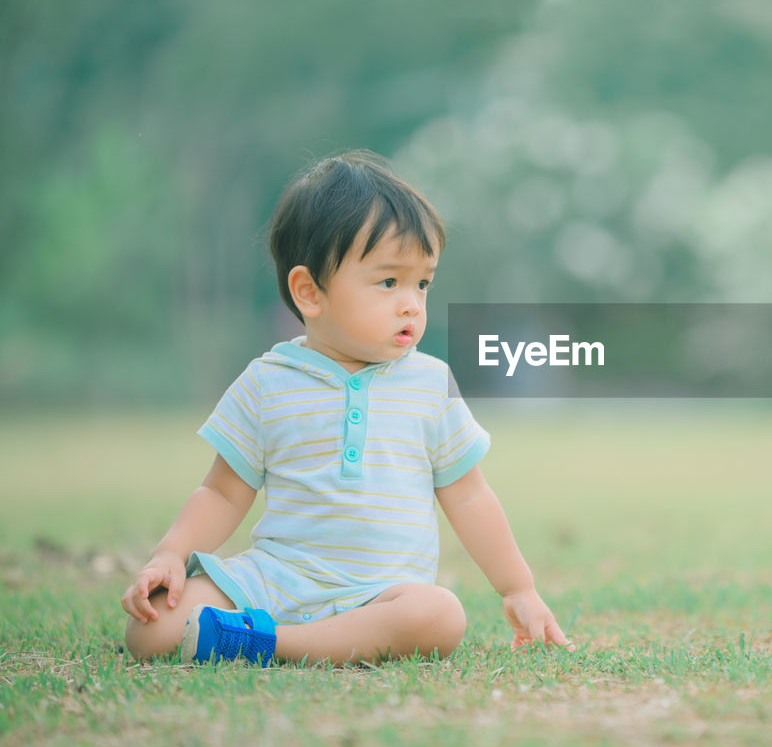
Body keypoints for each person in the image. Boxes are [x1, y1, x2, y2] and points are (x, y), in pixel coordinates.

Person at [121, 150, 572, 665]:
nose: (411, 304)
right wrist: (170, 555)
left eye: (422, 283)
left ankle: (266, 645)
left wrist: (518, 588)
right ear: (309, 292)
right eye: (388, 282)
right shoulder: (268, 383)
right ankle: (270, 635)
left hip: (380, 595)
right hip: (275, 581)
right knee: (152, 627)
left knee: (441, 616)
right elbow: (222, 493)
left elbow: (469, 496)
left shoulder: (430, 383)